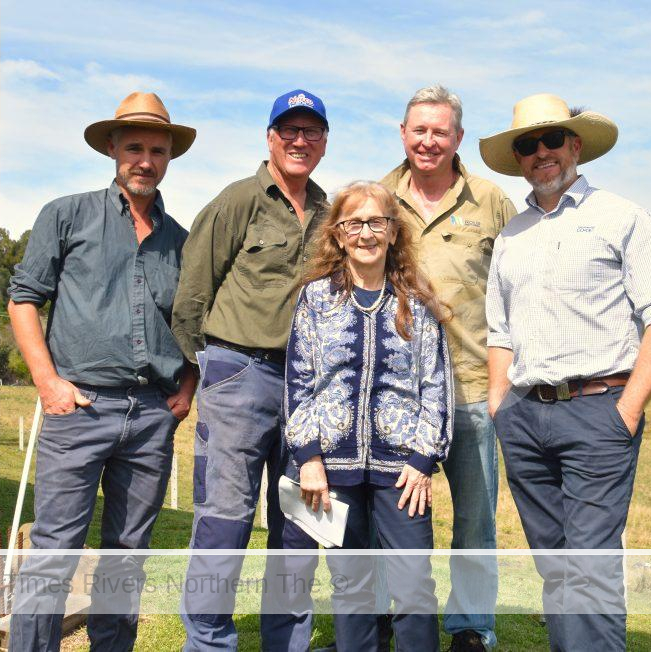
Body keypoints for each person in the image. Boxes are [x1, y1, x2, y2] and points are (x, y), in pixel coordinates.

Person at [480, 94, 651, 651]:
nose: (541, 153)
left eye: (553, 140)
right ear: (519, 158)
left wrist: (625, 411)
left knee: (591, 562)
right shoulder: (512, 236)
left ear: (576, 146)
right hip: (524, 418)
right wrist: (500, 408)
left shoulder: (623, 218)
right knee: (555, 566)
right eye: (528, 145)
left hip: (599, 411)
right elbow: (499, 332)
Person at [6, 91, 197, 651]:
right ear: (112, 148)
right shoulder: (66, 214)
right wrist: (47, 381)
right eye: (134, 146)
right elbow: (23, 299)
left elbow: (192, 323)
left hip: (150, 417)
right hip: (79, 406)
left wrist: (185, 390)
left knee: (127, 557)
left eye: (157, 149)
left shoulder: (180, 241)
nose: (145, 159)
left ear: (169, 157)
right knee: (54, 554)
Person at [171, 89, 330, 651]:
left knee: (299, 524)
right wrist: (209, 365)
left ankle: (286, 642)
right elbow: (192, 293)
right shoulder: (238, 200)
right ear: (270, 137)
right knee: (224, 519)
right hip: (240, 373)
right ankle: (209, 640)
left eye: (311, 131)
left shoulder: (329, 212)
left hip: (309, 387)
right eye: (289, 129)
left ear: (324, 143)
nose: (299, 140)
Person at [281, 181, 452, 652]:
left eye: (377, 221)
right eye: (353, 223)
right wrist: (309, 458)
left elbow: (436, 387)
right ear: (337, 235)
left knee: (414, 584)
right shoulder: (316, 298)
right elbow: (298, 384)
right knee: (351, 586)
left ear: (394, 232)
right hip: (331, 469)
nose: (366, 233)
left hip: (403, 473)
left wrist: (423, 459)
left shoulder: (417, 302)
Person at [379, 85, 515, 652]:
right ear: (403, 133)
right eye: (419, 130)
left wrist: (504, 388)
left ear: (457, 138)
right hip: (392, 394)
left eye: (441, 131)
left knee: (475, 522)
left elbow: (517, 293)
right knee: (389, 521)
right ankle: (388, 617)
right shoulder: (377, 197)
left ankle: (470, 629)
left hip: (472, 388)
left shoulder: (492, 202)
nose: (428, 141)